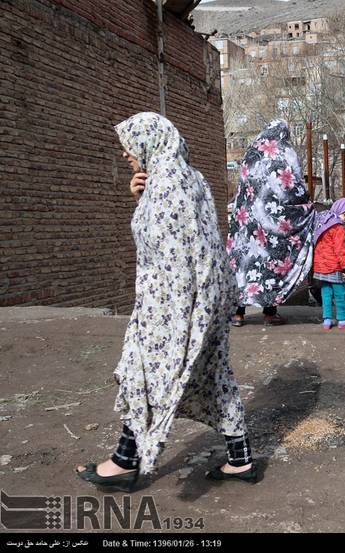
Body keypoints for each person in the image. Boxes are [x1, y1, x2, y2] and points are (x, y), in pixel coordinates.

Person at [75, 113, 256, 491]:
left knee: (142, 371)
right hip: (201, 298)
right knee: (214, 375)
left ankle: (125, 462)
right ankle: (240, 460)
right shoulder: (187, 177)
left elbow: (168, 250)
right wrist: (141, 196)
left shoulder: (169, 182)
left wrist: (174, 319)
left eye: (130, 146)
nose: (126, 154)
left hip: (173, 303)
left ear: (150, 141)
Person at [226, 119, 315, 327]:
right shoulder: (284, 152)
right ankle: (269, 313)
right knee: (271, 263)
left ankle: (238, 314)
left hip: (245, 221)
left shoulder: (250, 153)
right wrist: (305, 204)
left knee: (244, 263)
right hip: (271, 223)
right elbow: (293, 185)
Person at [313, 198, 345, 330]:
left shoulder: (323, 223)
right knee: (340, 293)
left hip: (320, 267)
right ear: (338, 211)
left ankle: (327, 320)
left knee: (326, 293)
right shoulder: (338, 228)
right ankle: (343, 320)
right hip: (334, 266)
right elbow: (341, 249)